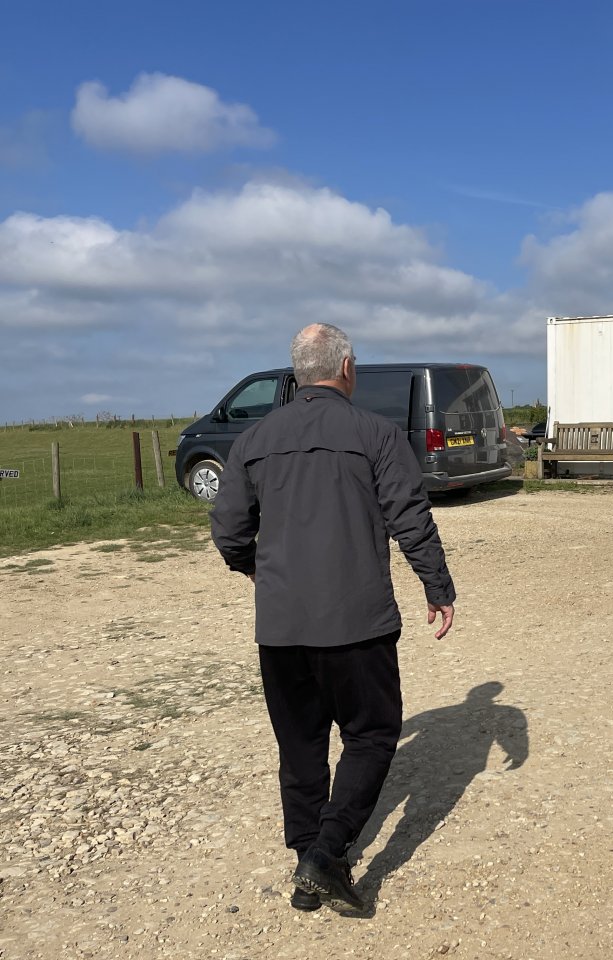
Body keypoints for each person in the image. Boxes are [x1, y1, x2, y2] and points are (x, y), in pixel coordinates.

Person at [210, 323, 455, 915]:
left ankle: (307, 863)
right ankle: (325, 853)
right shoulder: (374, 432)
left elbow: (228, 528)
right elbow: (409, 515)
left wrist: (251, 568)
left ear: (297, 372)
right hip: (358, 623)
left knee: (299, 746)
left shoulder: (253, 439)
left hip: (282, 625)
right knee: (371, 735)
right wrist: (437, 585)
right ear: (347, 369)